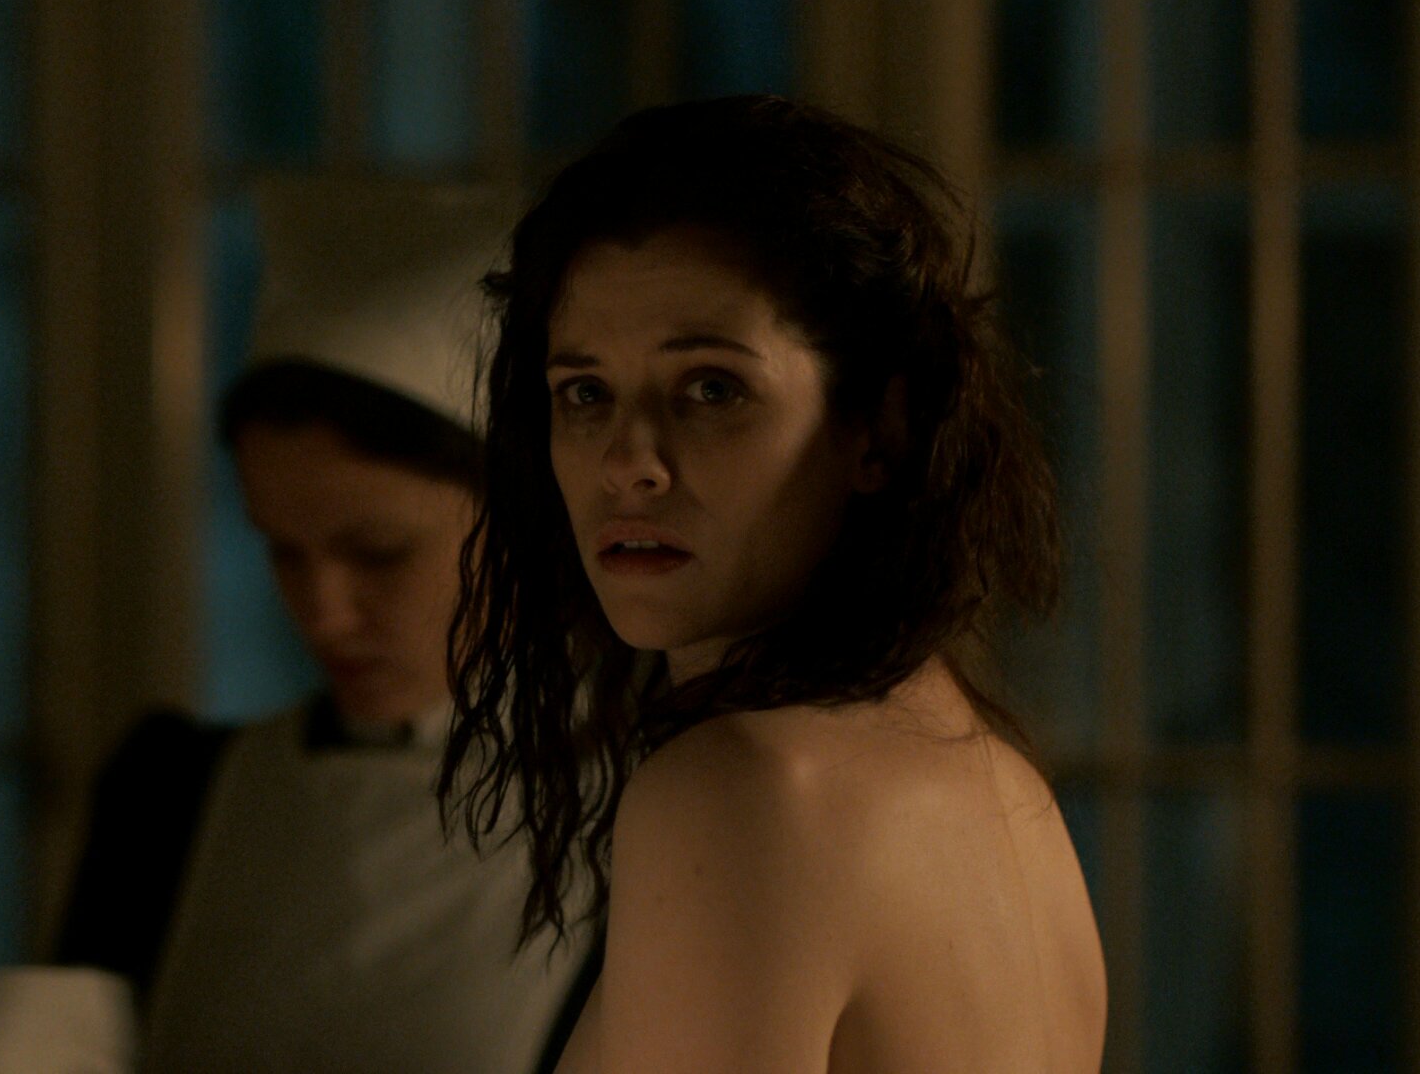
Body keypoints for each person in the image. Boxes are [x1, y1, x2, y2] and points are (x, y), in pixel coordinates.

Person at [441, 96, 1108, 1072]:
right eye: (585, 393)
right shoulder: (1008, 791)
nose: (629, 463)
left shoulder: (746, 788)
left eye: (712, 389)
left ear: (877, 428)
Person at [0, 177, 591, 1074]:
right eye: (284, 551)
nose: (322, 611)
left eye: (378, 553)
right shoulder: (171, 796)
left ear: (528, 520)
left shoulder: (652, 812)